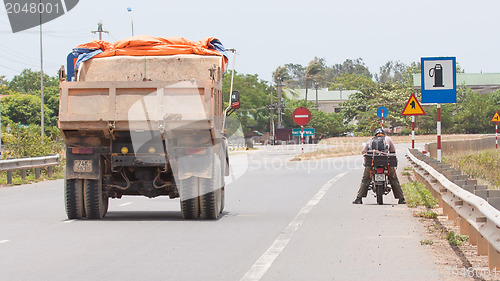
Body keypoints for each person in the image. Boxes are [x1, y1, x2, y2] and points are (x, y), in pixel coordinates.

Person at [352, 128, 405, 204]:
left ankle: (359, 198)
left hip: (372, 163)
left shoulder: (370, 140)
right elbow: (393, 151)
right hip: (386, 162)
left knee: (365, 179)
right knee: (393, 179)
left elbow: (364, 151)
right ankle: (401, 199)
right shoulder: (388, 139)